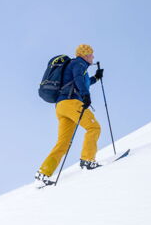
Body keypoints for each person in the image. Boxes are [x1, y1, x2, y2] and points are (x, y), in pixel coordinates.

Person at [35, 44, 103, 187]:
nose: (93, 57)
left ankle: (44, 172)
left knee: (63, 143)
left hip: (61, 107)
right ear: (85, 55)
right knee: (94, 128)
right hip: (72, 103)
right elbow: (79, 79)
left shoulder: (74, 65)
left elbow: (82, 81)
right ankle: (87, 160)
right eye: (91, 54)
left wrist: (96, 78)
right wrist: (86, 96)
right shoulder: (78, 63)